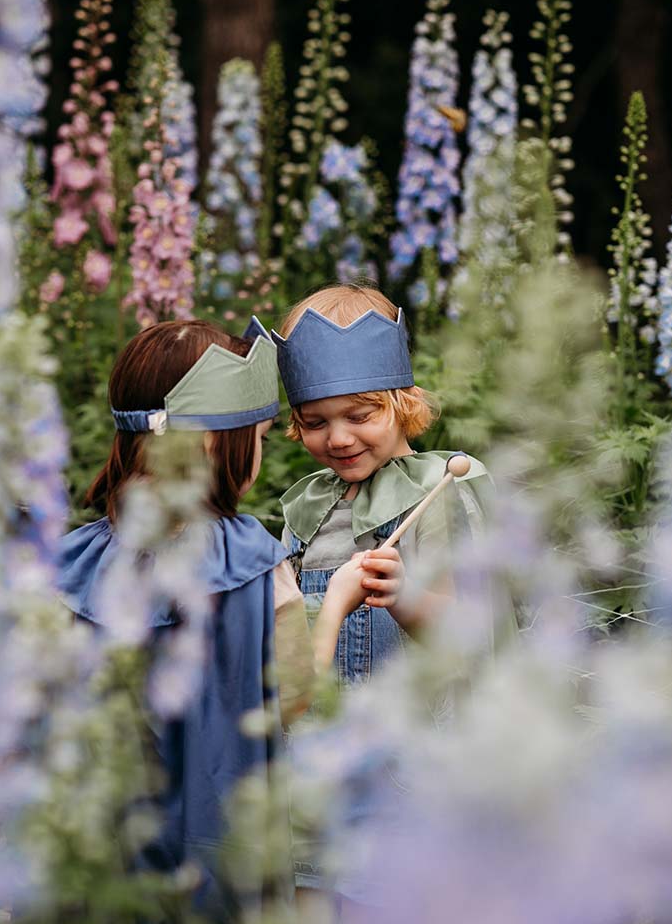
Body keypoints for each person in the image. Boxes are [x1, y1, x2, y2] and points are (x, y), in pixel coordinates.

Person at [56, 318, 402, 921]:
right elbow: (290, 700)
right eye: (260, 437)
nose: (261, 454)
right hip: (214, 847)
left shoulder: (77, 562)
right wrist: (339, 600)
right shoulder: (252, 564)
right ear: (216, 444)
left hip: (100, 840)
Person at [273, 283, 493, 683]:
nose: (338, 438)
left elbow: (469, 635)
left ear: (402, 403)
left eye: (359, 417)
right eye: (315, 422)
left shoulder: (437, 493)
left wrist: (404, 598)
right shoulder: (309, 507)